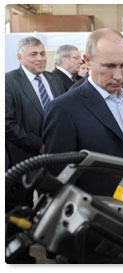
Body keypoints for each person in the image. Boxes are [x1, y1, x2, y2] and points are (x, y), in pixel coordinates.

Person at [42, 28, 123, 263]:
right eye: (109, 66)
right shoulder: (64, 108)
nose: (118, 75)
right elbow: (57, 179)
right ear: (87, 60)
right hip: (94, 235)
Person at [5, 36, 65, 263]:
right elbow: (7, 123)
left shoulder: (53, 79)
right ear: (20, 56)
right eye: (34, 54)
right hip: (25, 159)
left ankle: (57, 248)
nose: (40, 58)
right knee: (22, 209)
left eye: (42, 53)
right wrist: (37, 144)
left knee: (58, 204)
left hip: (58, 156)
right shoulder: (9, 82)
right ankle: (20, 258)